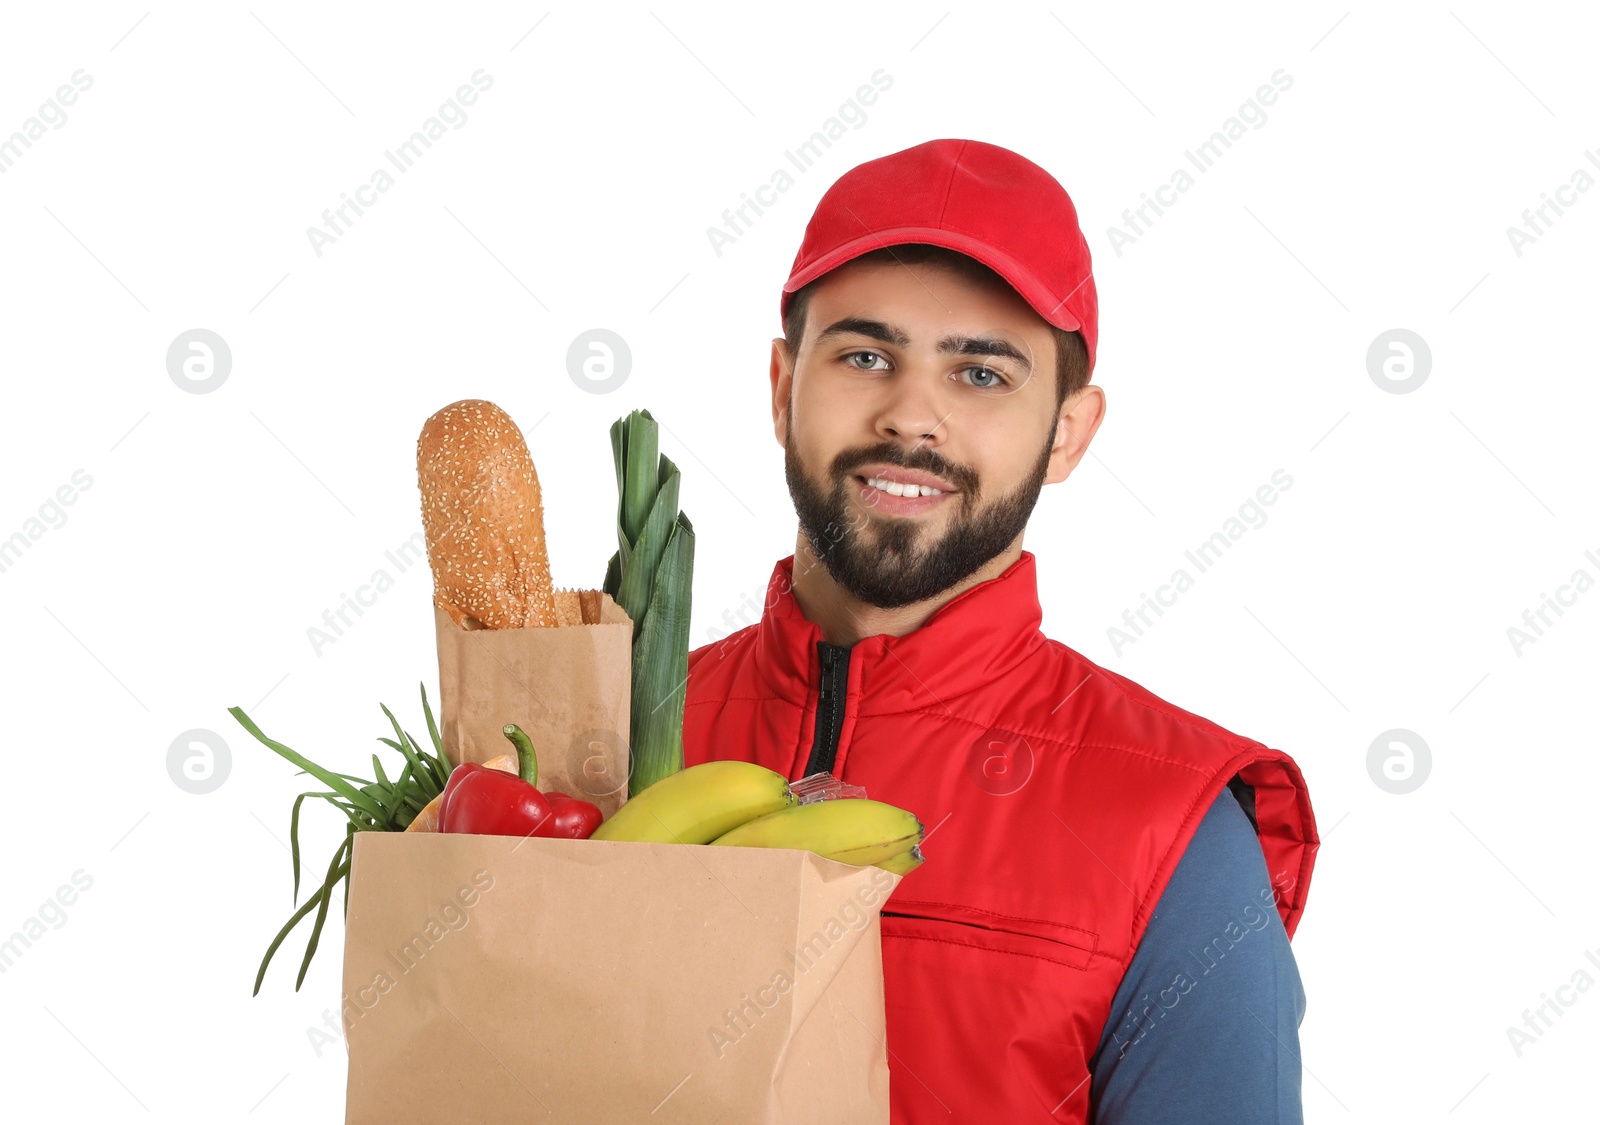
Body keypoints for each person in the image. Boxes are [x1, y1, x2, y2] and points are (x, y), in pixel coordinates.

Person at [682, 137, 1319, 1124]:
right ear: (780, 388)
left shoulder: (1171, 828)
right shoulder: (606, 749)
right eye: (864, 356)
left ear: (1067, 430)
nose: (910, 417)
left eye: (980, 375)